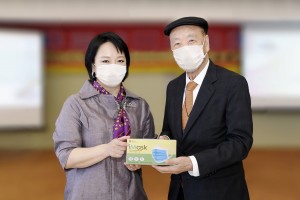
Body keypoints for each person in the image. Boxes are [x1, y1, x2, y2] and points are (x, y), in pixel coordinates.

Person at [152, 17, 253, 200]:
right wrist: (164, 139)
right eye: (177, 44)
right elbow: (169, 129)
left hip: (220, 192)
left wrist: (192, 163)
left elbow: (240, 143)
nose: (184, 48)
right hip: (180, 190)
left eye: (191, 41)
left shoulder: (233, 83)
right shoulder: (173, 87)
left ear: (206, 43)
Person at [53, 32, 155, 200]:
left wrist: (140, 159)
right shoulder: (76, 104)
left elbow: (147, 146)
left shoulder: (139, 105)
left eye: (120, 61)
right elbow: (67, 156)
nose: (113, 66)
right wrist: (107, 149)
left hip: (131, 194)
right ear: (93, 65)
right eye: (105, 61)